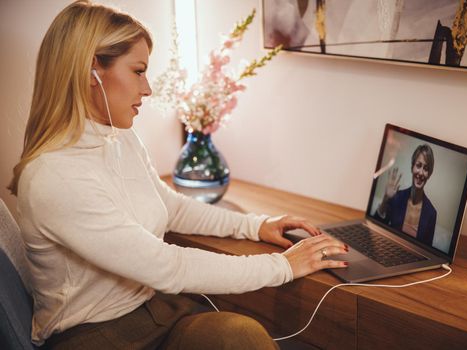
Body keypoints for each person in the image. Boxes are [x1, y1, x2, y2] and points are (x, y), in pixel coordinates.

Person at [8, 1, 348, 349]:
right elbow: (166, 266)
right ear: (92, 70)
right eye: (138, 71)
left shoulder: (119, 137)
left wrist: (255, 225)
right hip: (94, 334)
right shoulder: (54, 177)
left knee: (242, 334)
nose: (147, 89)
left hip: (154, 308)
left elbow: (169, 205)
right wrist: (282, 266)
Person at [374, 144, 437, 245]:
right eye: (418, 165)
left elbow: (428, 251)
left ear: (429, 174)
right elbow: (374, 229)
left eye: (426, 168)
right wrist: (385, 200)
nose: (421, 172)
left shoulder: (431, 213)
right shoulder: (396, 197)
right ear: (412, 167)